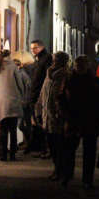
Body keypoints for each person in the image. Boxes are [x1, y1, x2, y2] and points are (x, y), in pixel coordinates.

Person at [60, 55, 99, 190]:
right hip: (82, 119)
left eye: (81, 65)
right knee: (78, 151)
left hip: (82, 119)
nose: (80, 67)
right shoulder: (92, 81)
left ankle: (74, 177)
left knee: (74, 150)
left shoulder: (72, 80)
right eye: (78, 65)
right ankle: (81, 179)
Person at [35, 51, 70, 181]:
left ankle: (61, 171)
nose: (54, 62)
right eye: (54, 59)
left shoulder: (65, 76)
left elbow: (63, 97)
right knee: (52, 145)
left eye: (57, 60)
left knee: (59, 145)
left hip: (58, 117)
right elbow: (43, 93)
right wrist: (38, 108)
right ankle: (57, 169)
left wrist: (60, 113)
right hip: (47, 115)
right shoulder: (49, 74)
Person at [0, 49, 29, 161]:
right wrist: (21, 96)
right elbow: (20, 84)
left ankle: (3, 155)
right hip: (13, 101)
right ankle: (12, 154)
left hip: (2, 102)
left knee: (3, 130)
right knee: (12, 130)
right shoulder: (13, 67)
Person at [27, 39, 53, 155]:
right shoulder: (38, 60)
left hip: (39, 96)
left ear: (41, 47)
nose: (33, 50)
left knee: (40, 122)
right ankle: (37, 146)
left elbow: (42, 79)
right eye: (31, 48)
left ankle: (43, 147)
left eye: (35, 48)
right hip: (35, 94)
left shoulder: (45, 59)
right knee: (35, 122)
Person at [12, 50, 35, 152]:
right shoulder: (22, 73)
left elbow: (28, 87)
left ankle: (29, 143)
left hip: (24, 102)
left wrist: (25, 99)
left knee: (23, 124)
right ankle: (28, 143)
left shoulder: (22, 74)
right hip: (24, 101)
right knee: (24, 124)